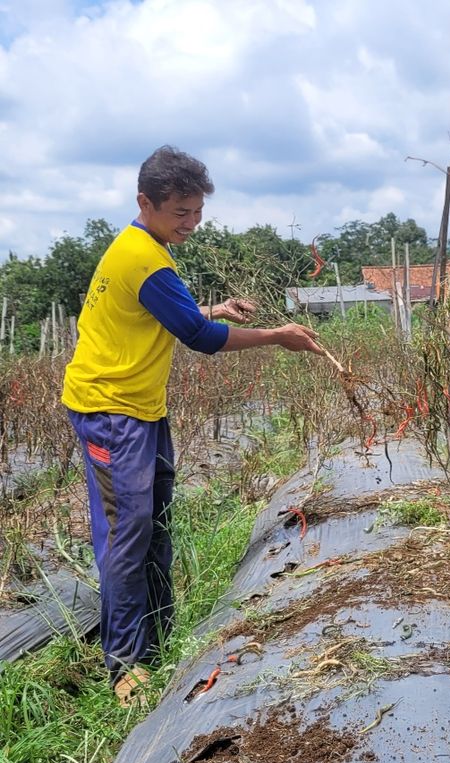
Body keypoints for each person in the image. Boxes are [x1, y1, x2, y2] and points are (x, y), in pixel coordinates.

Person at [61, 145, 323, 705]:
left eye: (198, 212)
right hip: (110, 412)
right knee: (128, 532)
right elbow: (198, 341)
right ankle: (125, 667)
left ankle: (157, 642)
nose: (192, 224)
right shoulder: (143, 257)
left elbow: (171, 314)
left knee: (155, 525)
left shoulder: (146, 248)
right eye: (181, 212)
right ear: (146, 203)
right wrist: (279, 337)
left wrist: (215, 307)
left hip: (141, 409)